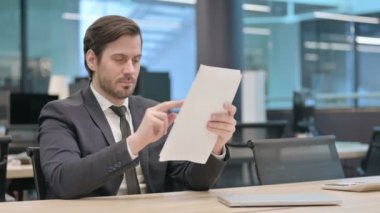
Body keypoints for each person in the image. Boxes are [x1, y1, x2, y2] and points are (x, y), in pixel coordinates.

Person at [38, 15, 237, 199]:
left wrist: (215, 145)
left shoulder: (152, 111)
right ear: (92, 60)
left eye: (136, 60)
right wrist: (135, 143)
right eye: (119, 59)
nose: (130, 70)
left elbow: (190, 181)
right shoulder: (61, 113)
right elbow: (64, 181)